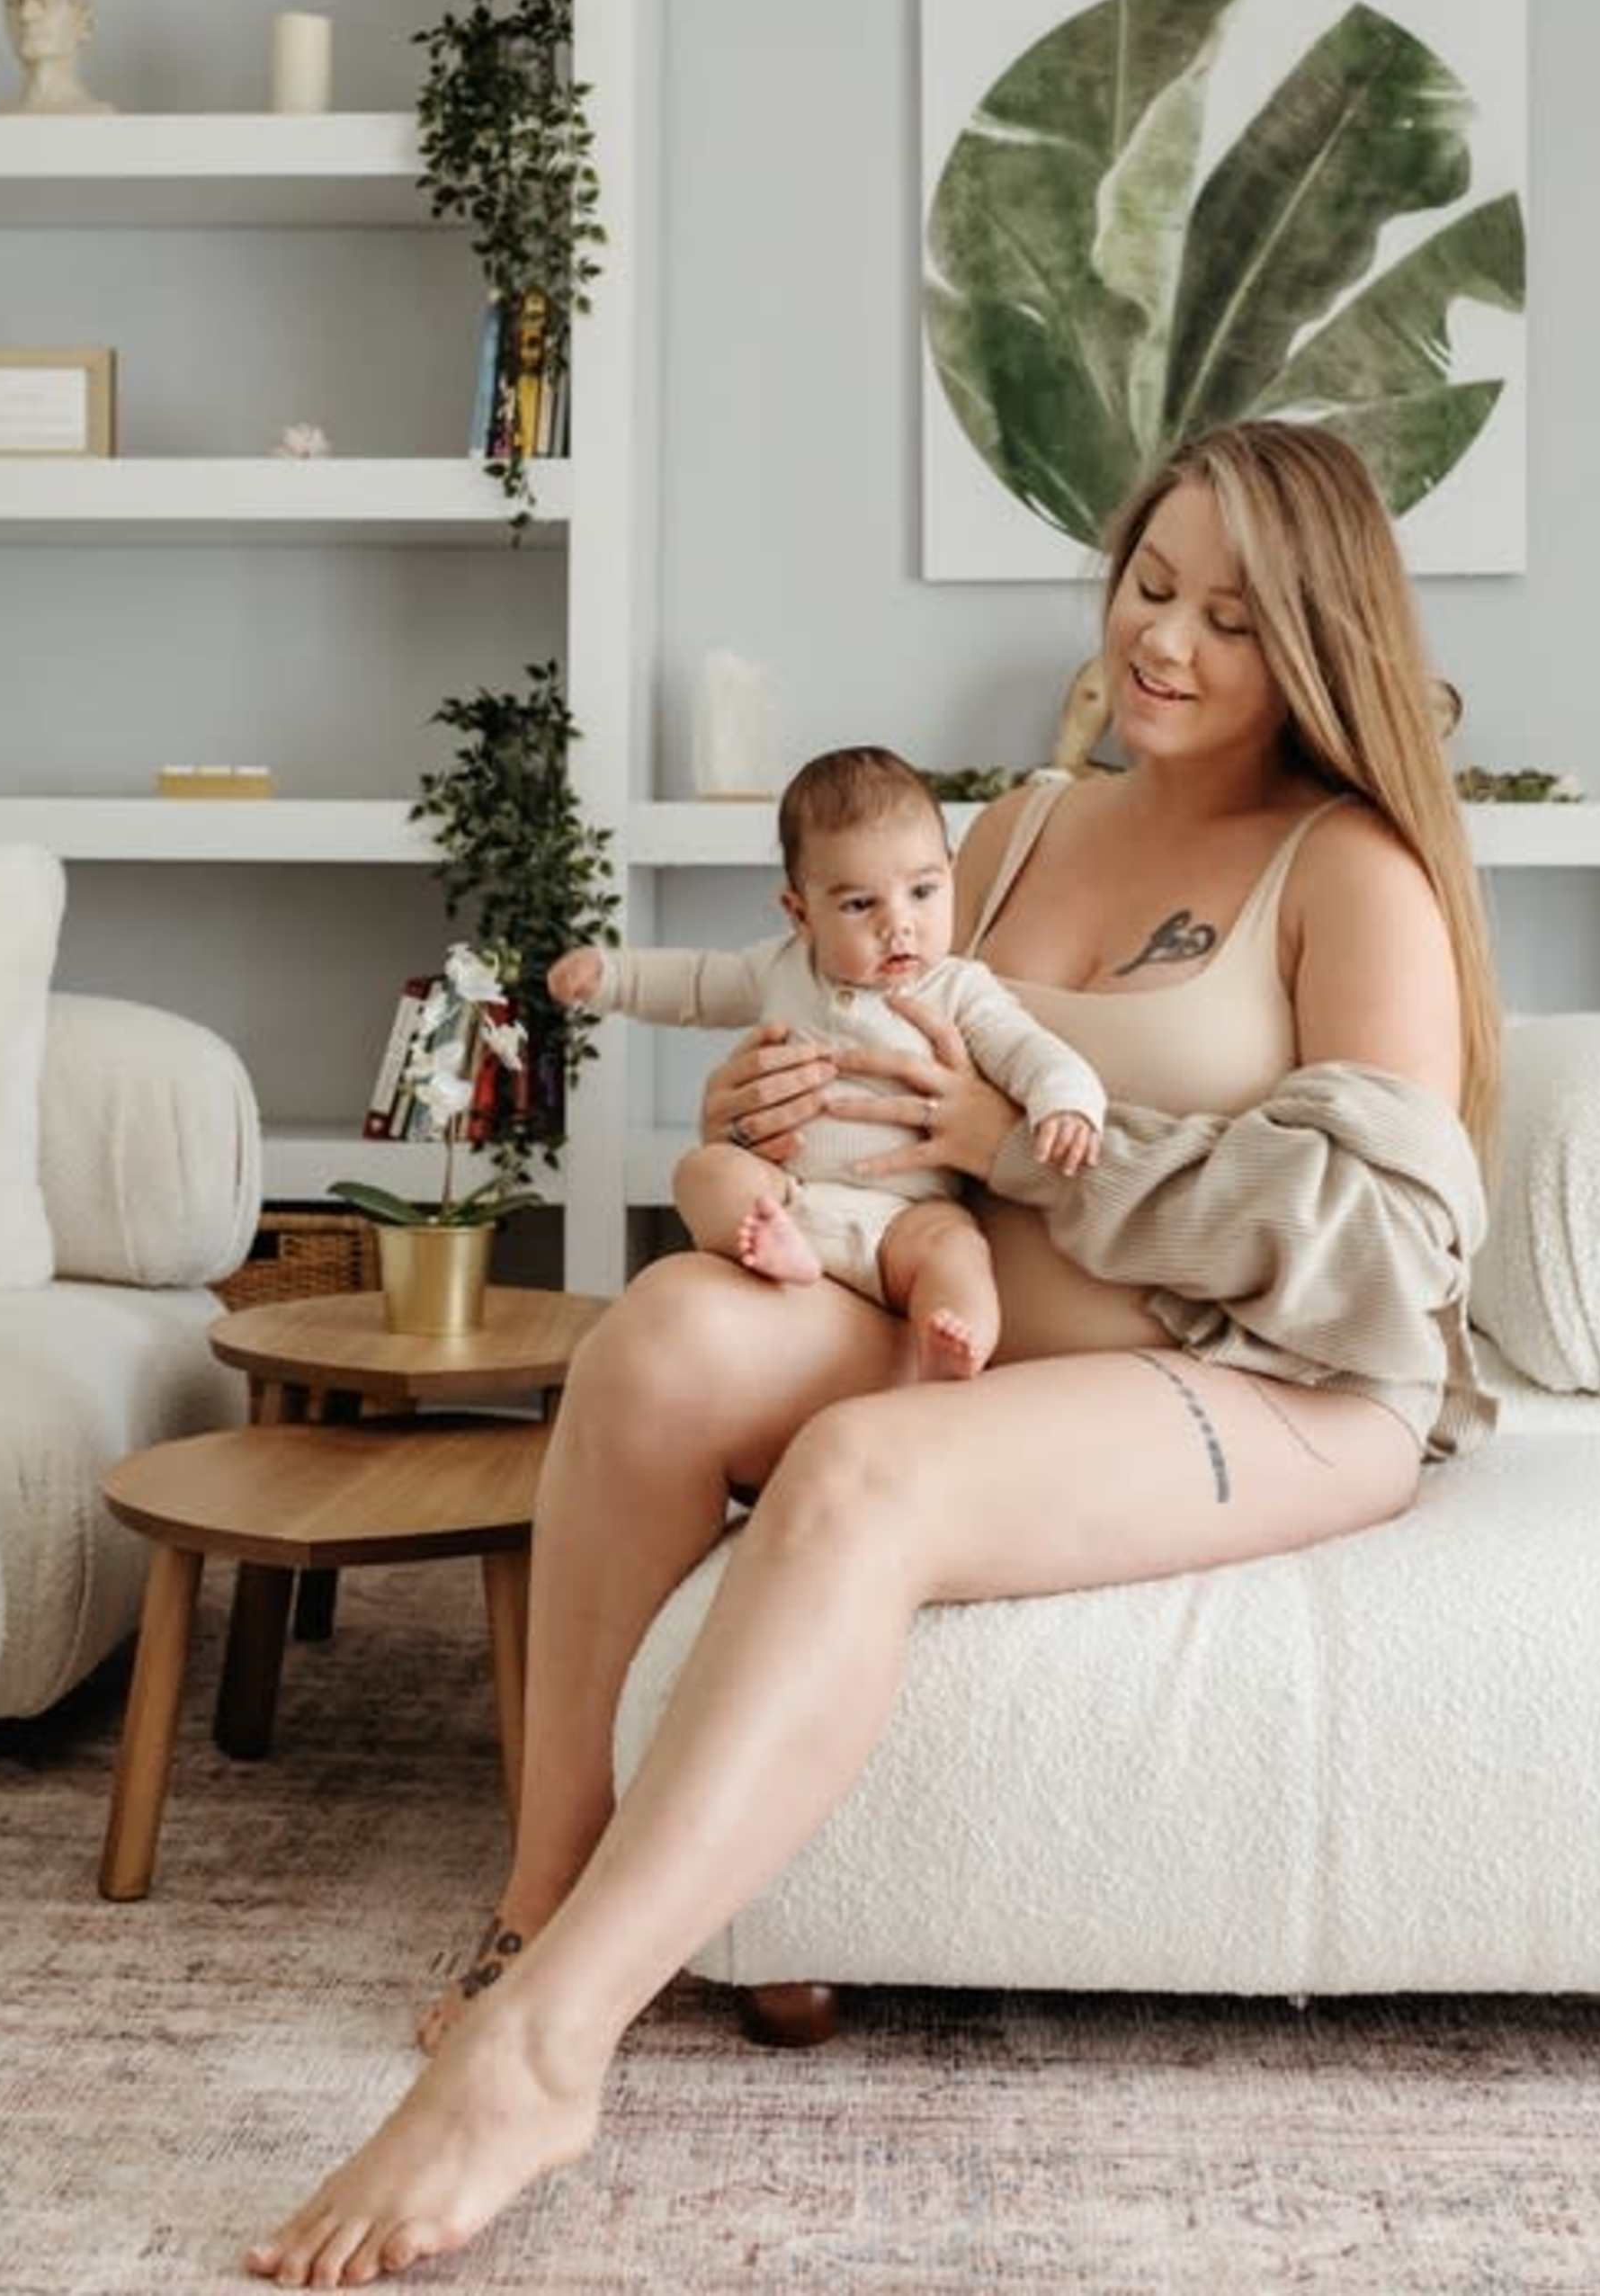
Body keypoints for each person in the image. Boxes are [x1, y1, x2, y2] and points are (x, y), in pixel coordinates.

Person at [243, 419, 1505, 2288]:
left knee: (860, 1474)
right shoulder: (1010, 829)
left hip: (1280, 1385)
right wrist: (768, 1107)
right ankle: (535, 1898)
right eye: (1152, 586)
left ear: (1317, 640)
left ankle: (547, 2047)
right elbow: (886, 1070)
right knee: (661, 1335)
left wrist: (1024, 1160)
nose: (1165, 642)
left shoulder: (1350, 871)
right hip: (957, 1300)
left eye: (1230, 619)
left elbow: (1392, 1256)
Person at [548, 744, 1104, 1381]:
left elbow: (1028, 1048)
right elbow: (697, 982)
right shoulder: (781, 967)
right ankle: (773, 1254)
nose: (900, 926)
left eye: (923, 890)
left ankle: (954, 1341)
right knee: (707, 1171)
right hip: (790, 1199)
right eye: (861, 905)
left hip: (907, 1216)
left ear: (952, 874)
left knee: (959, 1250)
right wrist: (611, 976)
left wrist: (1066, 1100)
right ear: (800, 911)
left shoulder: (958, 988)